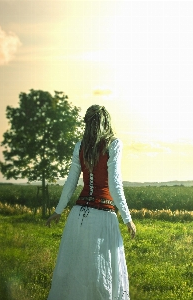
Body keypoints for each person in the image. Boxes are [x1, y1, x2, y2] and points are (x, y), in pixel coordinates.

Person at [45, 105, 136, 300]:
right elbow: (115, 183)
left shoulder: (81, 145)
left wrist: (59, 211)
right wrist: (127, 218)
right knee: (99, 274)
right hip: (102, 217)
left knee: (78, 270)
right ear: (106, 121)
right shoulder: (114, 144)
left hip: (77, 217)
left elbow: (71, 182)